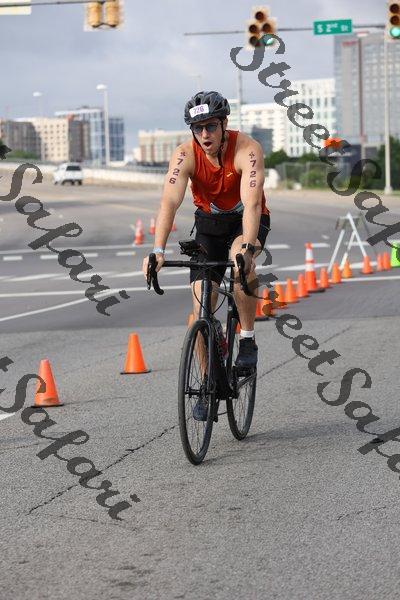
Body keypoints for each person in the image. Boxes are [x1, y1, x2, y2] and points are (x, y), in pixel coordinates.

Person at [142, 91, 270, 416]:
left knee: (241, 265)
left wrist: (248, 248)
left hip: (246, 221)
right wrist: (157, 250)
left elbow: (252, 204)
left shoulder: (247, 149)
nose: (204, 134)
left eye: (210, 126)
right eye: (197, 128)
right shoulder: (185, 154)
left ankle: (247, 340)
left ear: (224, 123)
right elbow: (169, 201)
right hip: (209, 226)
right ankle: (207, 384)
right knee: (200, 302)